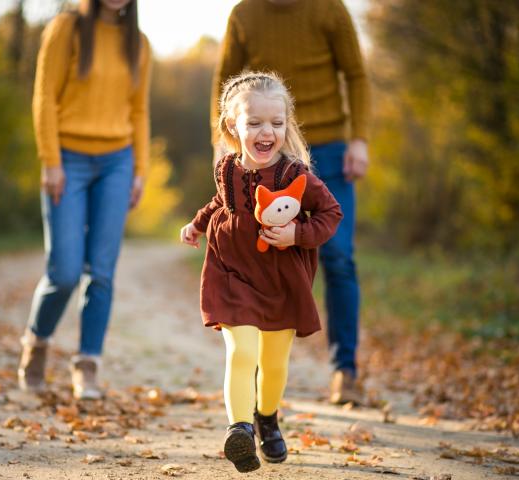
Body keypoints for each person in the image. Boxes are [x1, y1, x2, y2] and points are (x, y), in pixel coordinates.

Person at [211, 0, 371, 405]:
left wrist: (359, 138)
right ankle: (262, 359)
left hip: (330, 146)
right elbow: (223, 81)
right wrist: (221, 143)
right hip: (264, 145)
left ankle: (344, 371)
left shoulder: (330, 9)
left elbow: (354, 74)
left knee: (337, 256)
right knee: (261, 249)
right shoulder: (244, 14)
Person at [181, 72, 342, 473]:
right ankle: (240, 429)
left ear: (287, 125)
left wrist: (297, 233)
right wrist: (198, 225)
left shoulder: (296, 176)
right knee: (242, 352)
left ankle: (266, 416)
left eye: (276, 122)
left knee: (273, 364)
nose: (265, 131)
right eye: (254, 123)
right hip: (232, 271)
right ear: (232, 126)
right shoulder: (227, 169)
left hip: (281, 278)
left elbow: (331, 213)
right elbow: (220, 202)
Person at [17, 0, 152, 400]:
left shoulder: (139, 43)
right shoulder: (66, 28)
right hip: (68, 161)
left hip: (117, 161)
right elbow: (44, 98)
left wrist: (140, 169)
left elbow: (140, 110)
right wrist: (51, 161)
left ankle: (87, 365)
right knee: (64, 271)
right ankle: (37, 342)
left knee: (103, 271)